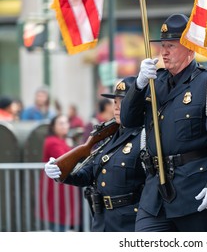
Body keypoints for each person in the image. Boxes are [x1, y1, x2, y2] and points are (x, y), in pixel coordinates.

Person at [120, 13, 207, 232]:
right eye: (163, 45)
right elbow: (129, 121)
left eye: (172, 46)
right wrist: (138, 86)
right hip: (156, 195)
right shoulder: (155, 83)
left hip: (195, 190)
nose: (164, 51)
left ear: (191, 48)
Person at [44, 77, 146, 232]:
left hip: (130, 223)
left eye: (123, 102)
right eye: (115, 102)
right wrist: (61, 173)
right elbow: (88, 174)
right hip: (101, 220)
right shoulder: (110, 136)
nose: (117, 108)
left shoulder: (145, 136)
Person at [38, 114, 81, 231]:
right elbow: (64, 160)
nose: (64, 126)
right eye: (60, 123)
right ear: (53, 127)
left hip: (64, 187)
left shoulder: (64, 140)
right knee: (58, 220)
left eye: (66, 123)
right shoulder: (52, 141)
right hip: (57, 189)